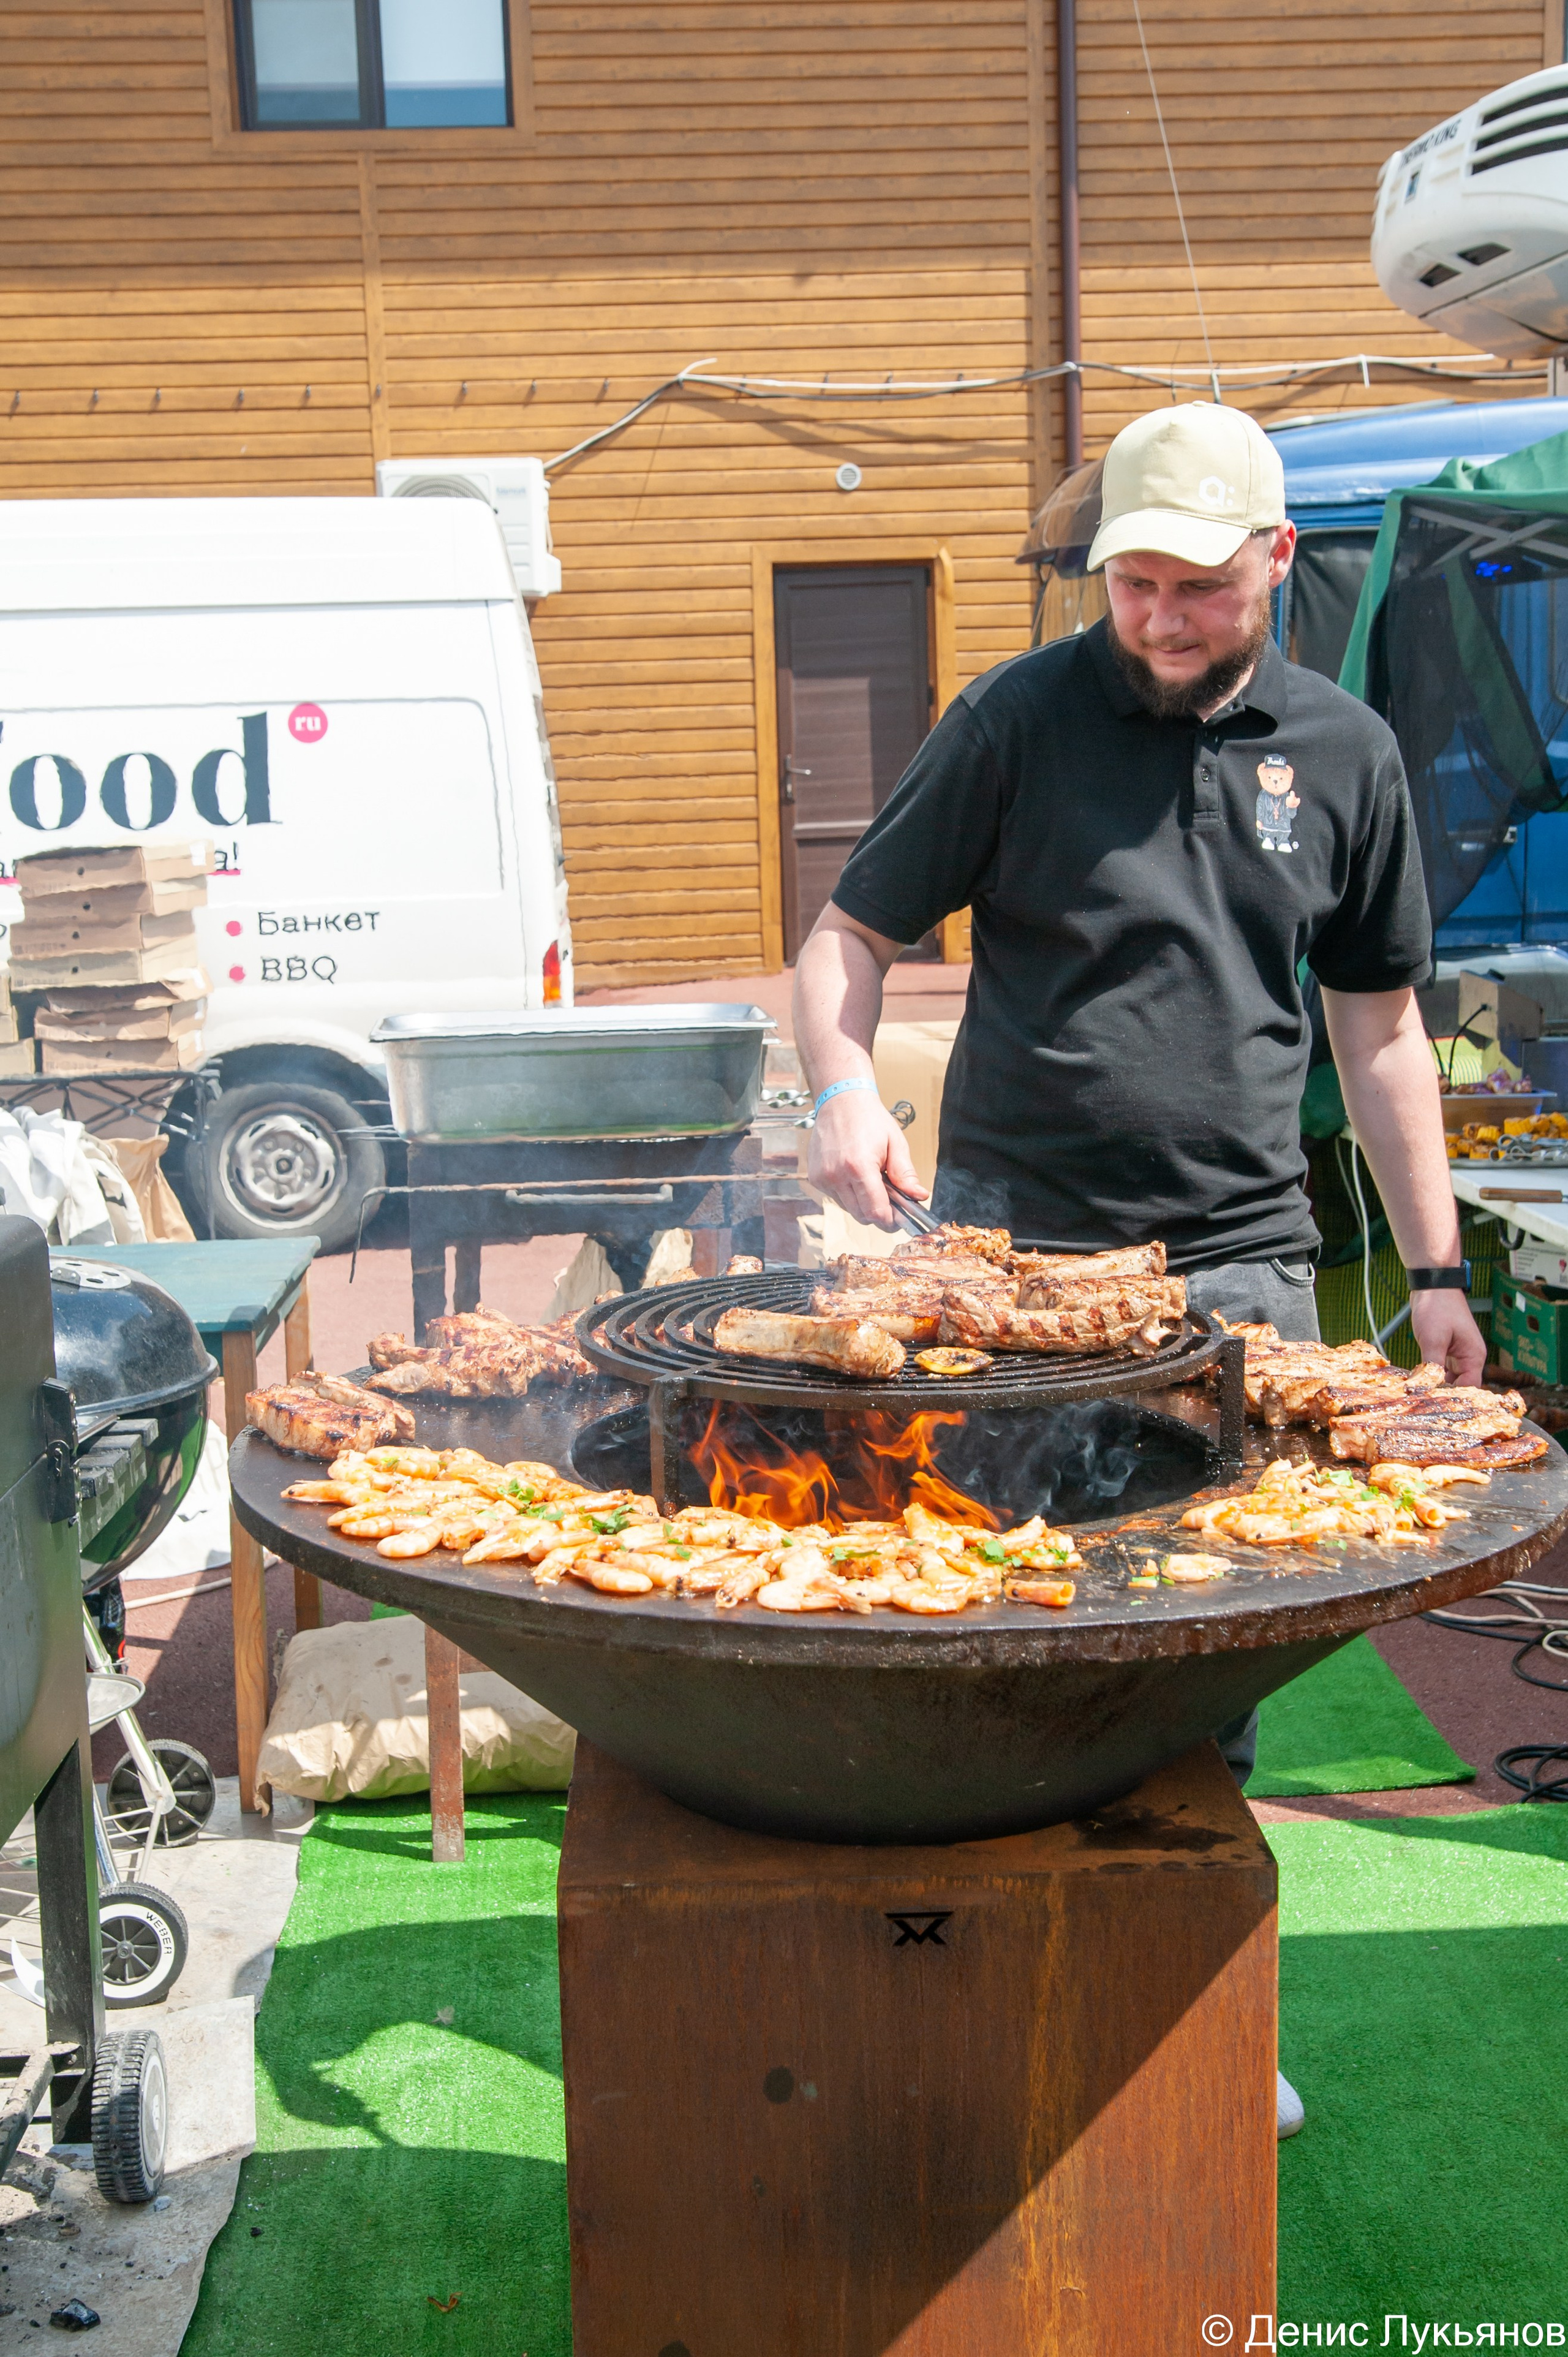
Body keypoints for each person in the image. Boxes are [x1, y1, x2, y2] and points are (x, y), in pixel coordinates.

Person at [793, 401, 1486, 2142]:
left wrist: (1437, 1272)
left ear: (1274, 560)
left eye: (1194, 586)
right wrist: (834, 1090)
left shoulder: (1344, 754)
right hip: (1006, 1269)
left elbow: (1385, 1030)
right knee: (1012, 1649)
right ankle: (983, 2000)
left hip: (1241, 1271)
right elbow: (853, 930)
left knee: (1204, 1664)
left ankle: (1185, 2020)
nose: (1161, 619)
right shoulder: (1017, 720)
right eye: (1132, 585)